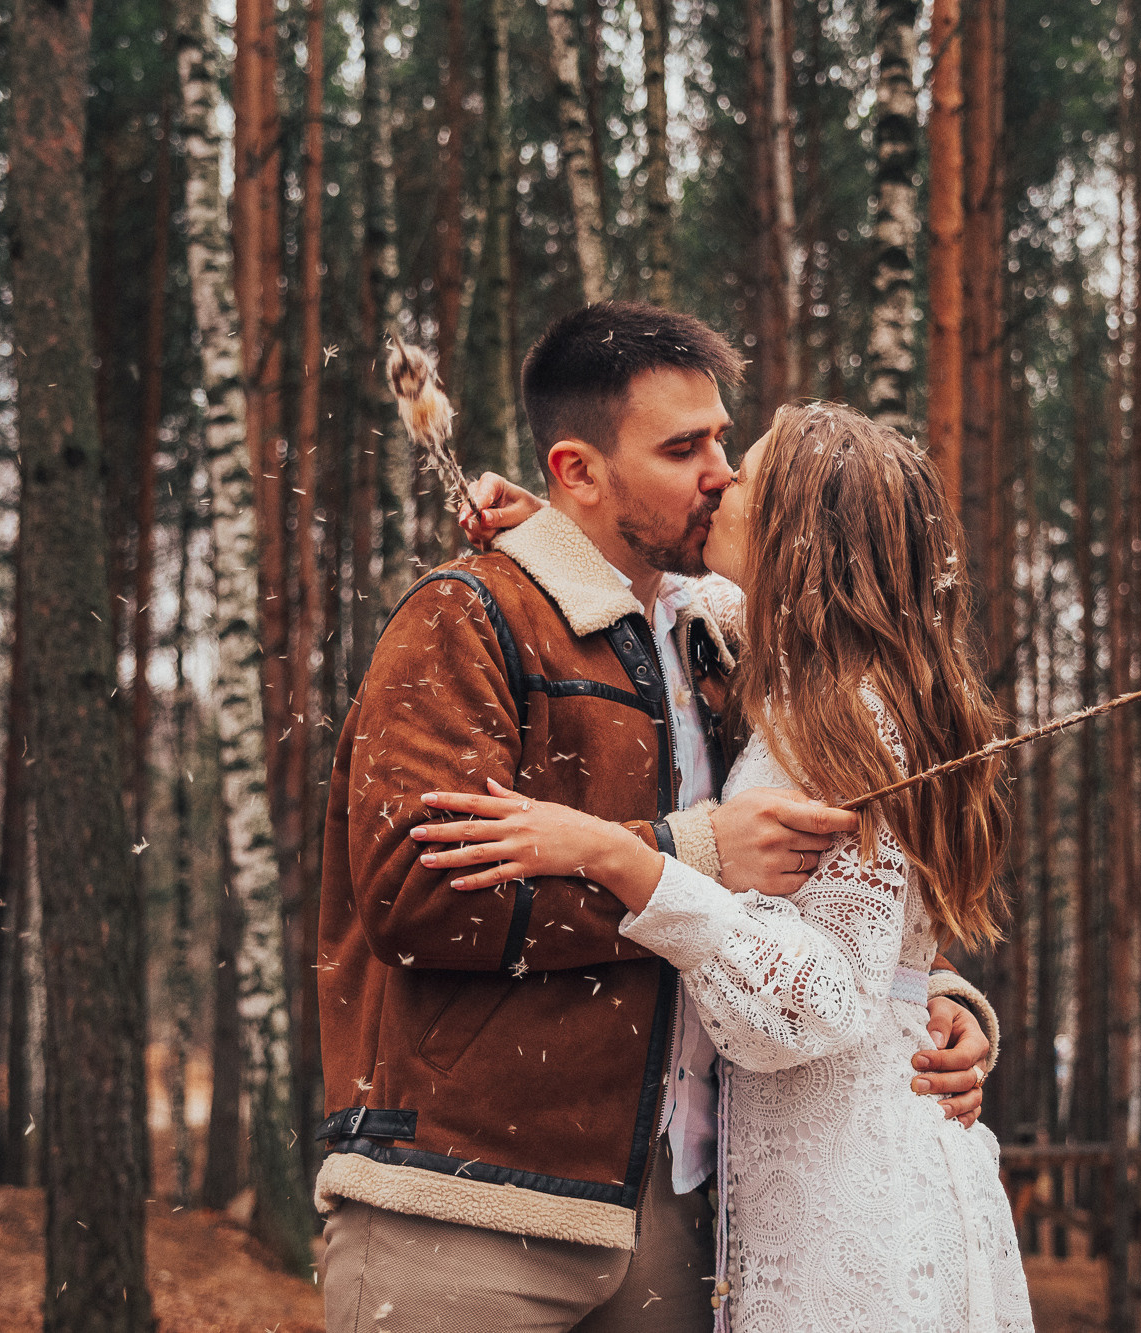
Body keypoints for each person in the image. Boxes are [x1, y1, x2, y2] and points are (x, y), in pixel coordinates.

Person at [315, 303, 998, 1333]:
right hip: (470, 1201)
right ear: (577, 470)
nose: (718, 472)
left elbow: (833, 898)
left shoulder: (715, 651)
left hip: (680, 1216)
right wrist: (684, 853)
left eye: (723, 440)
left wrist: (927, 995)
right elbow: (417, 900)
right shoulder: (465, 616)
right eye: (684, 448)